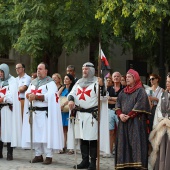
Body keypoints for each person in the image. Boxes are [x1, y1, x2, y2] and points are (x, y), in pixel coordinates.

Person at [21, 62, 64, 165]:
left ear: (46, 71)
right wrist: (28, 96)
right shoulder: (33, 82)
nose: (38, 71)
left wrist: (37, 97)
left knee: (46, 135)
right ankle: (38, 155)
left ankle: (49, 156)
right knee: (36, 135)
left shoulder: (50, 83)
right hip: (34, 112)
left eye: (40, 69)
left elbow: (51, 96)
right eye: (37, 69)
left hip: (45, 113)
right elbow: (27, 93)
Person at [68, 62, 104, 170]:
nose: (84, 71)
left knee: (92, 138)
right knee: (82, 138)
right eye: (83, 69)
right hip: (80, 114)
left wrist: (102, 86)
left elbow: (102, 96)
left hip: (91, 115)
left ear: (92, 70)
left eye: (86, 69)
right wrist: (70, 100)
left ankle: (93, 162)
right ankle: (85, 161)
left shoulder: (97, 82)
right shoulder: (79, 82)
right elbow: (72, 93)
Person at [115, 69, 150, 169]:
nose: (127, 78)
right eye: (126, 77)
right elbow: (118, 104)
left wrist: (129, 115)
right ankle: (125, 165)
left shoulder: (141, 91)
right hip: (123, 123)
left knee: (136, 145)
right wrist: (120, 114)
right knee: (123, 144)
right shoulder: (123, 92)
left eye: (129, 77)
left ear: (135, 78)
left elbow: (141, 104)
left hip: (136, 123)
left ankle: (137, 166)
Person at [0, 63, 22, 160]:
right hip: (0, 109)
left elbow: (12, 95)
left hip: (7, 109)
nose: (0, 74)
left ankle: (9, 153)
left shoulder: (13, 81)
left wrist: (3, 99)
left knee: (9, 131)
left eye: (2, 72)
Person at [149, 73, 170, 170]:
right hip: (162, 126)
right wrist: (162, 120)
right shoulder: (163, 94)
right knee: (160, 150)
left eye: (169, 82)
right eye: (167, 81)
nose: (167, 84)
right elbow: (158, 109)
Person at [103, 72, 124, 158]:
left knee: (121, 131)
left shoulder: (124, 89)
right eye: (114, 76)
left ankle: (120, 151)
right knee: (110, 131)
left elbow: (123, 100)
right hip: (110, 111)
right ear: (112, 78)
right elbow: (105, 100)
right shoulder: (108, 88)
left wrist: (111, 98)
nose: (116, 78)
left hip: (120, 112)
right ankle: (109, 151)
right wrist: (116, 100)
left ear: (120, 78)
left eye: (118, 76)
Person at [58, 74, 75, 154]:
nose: (65, 80)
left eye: (67, 79)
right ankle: (63, 146)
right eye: (64, 79)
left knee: (70, 129)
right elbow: (57, 96)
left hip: (70, 111)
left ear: (71, 81)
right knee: (64, 129)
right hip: (63, 111)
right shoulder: (62, 88)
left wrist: (64, 104)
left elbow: (72, 98)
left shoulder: (73, 89)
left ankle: (71, 147)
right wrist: (61, 89)